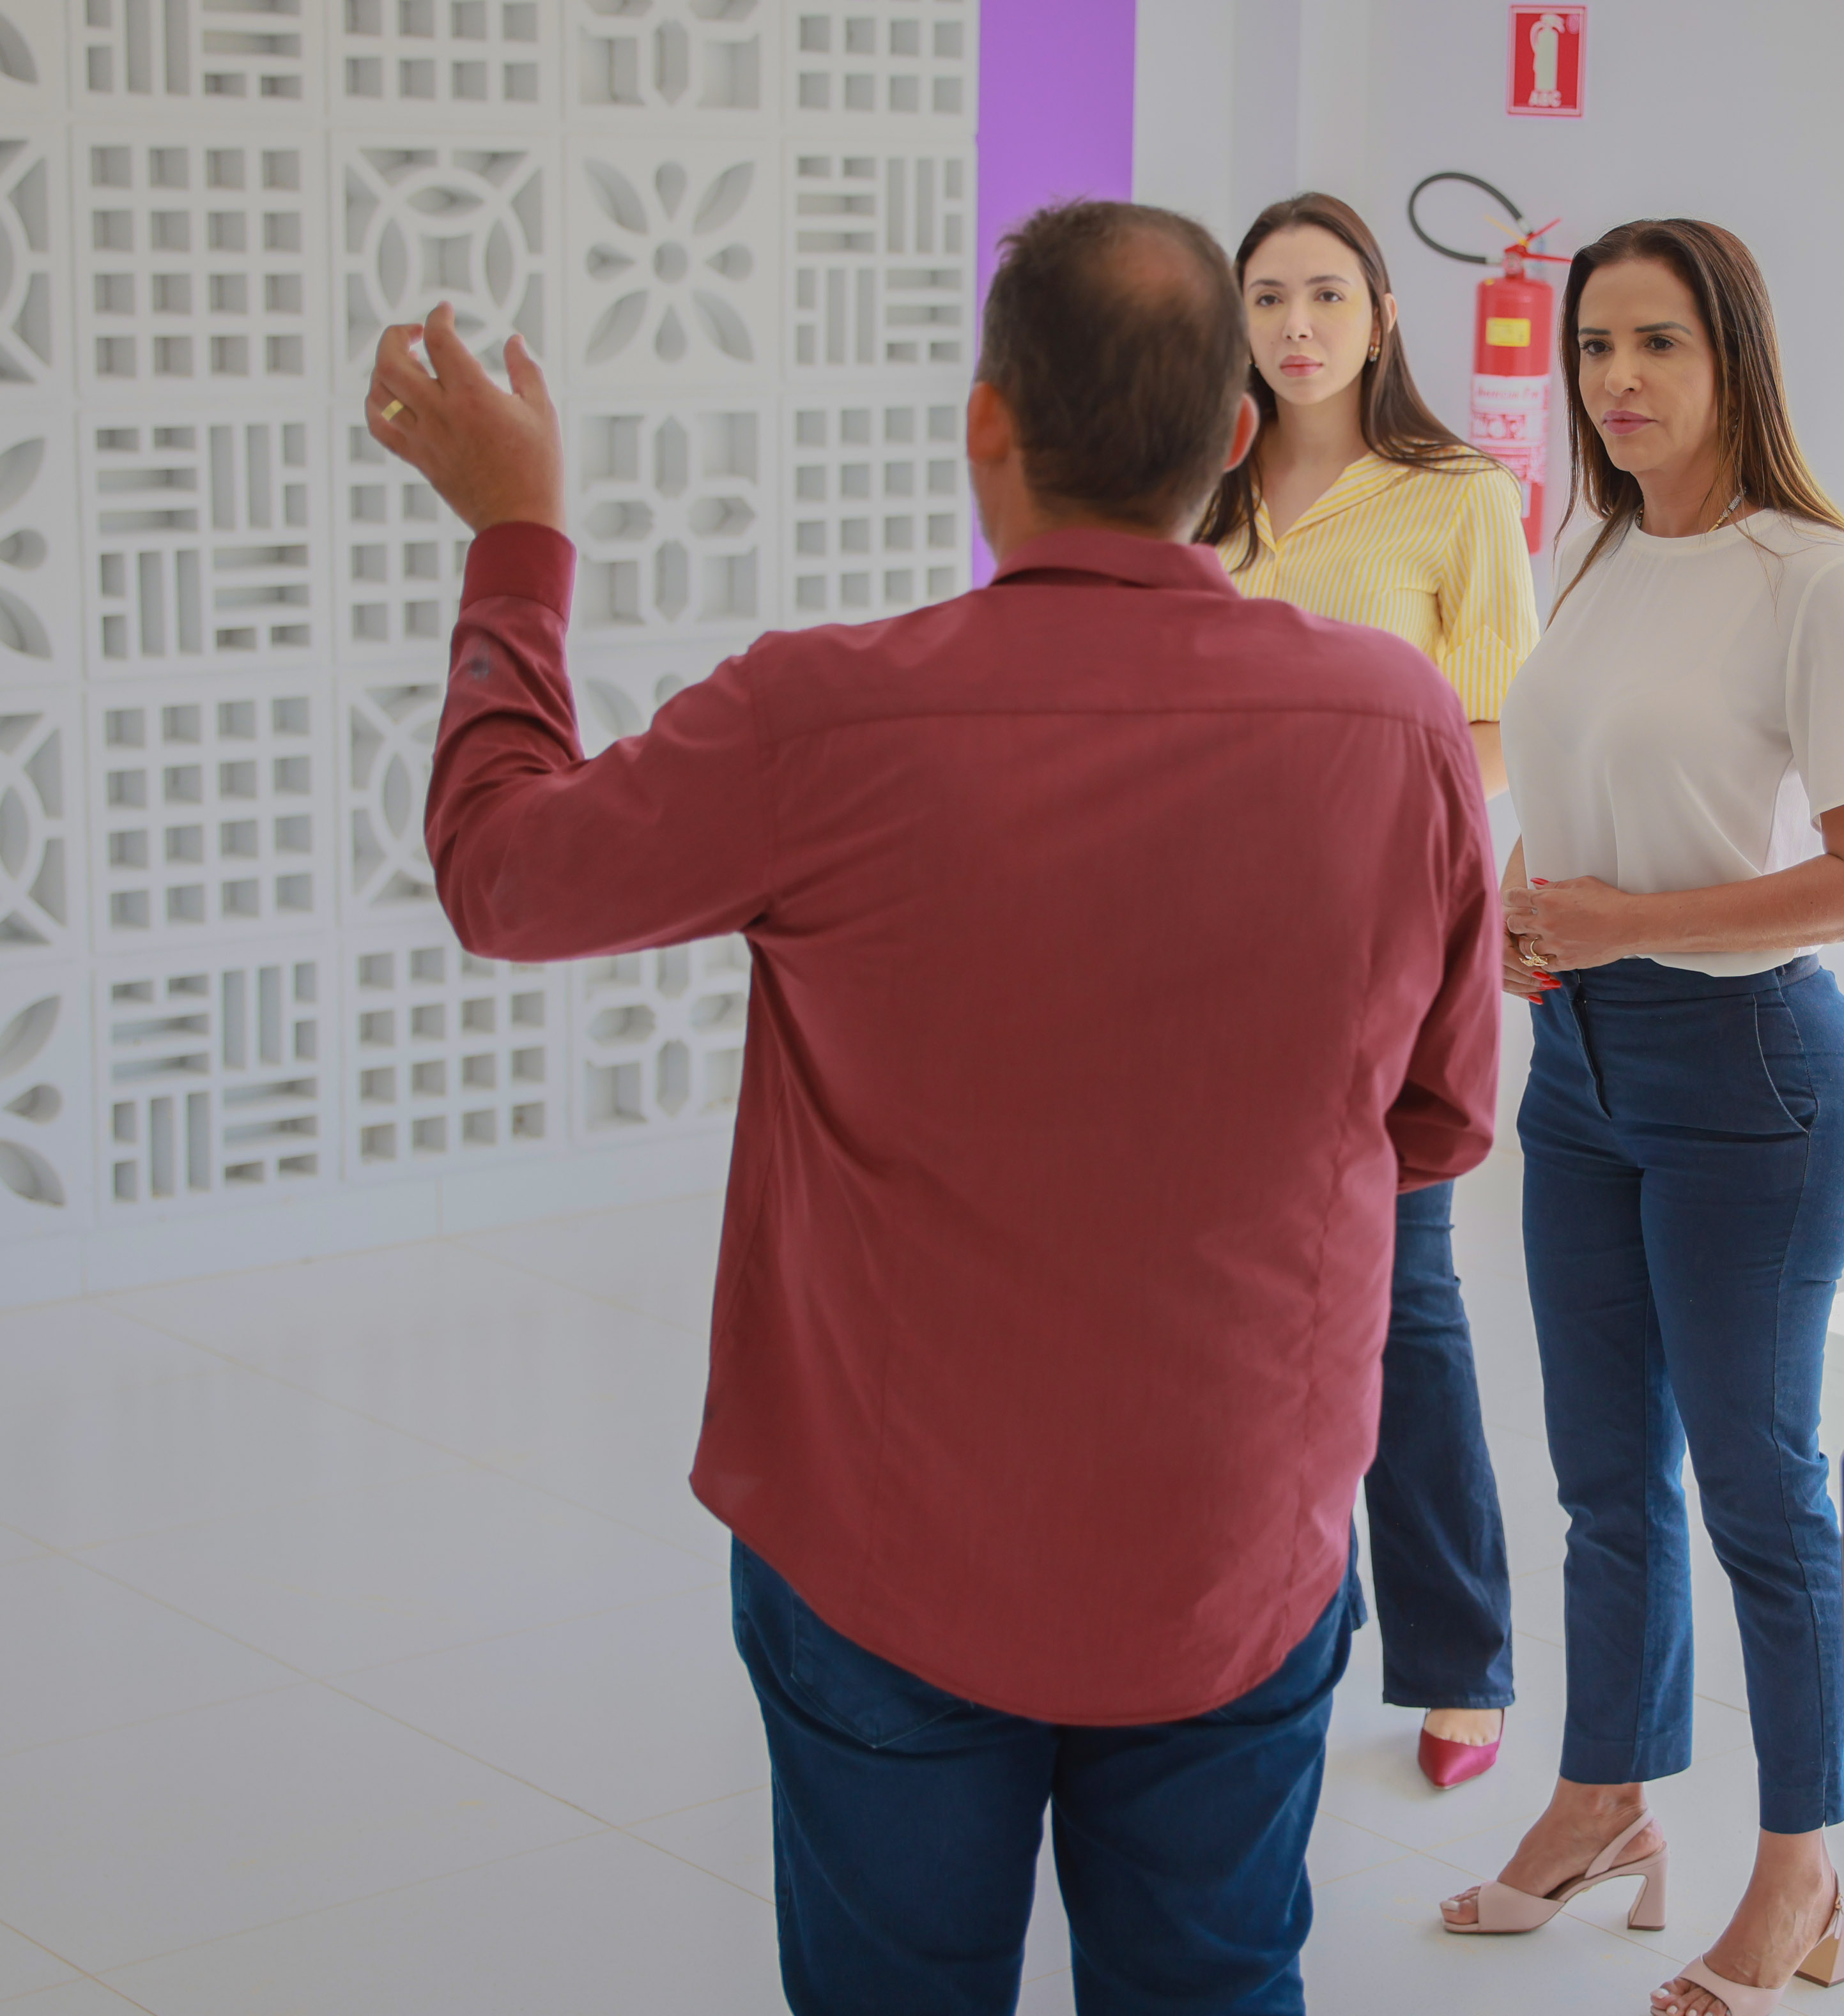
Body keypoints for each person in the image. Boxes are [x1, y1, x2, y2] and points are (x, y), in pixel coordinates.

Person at [367, 199, 1501, 2014]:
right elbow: (1439, 1121)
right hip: (1234, 1536)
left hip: (886, 1553)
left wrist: (518, 540)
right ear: (1229, 437)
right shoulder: (1393, 726)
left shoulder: (825, 718)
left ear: (987, 424)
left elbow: (505, 876)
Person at [1441, 218, 1844, 2016]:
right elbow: (1572, 778)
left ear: (1734, 359)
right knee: (1599, 1483)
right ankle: (1605, 1791)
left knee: (1756, 1491)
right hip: (1581, 1072)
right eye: (1591, 349)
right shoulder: (1582, 539)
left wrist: (1625, 918)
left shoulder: (1815, 575)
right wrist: (1519, 900)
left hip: (1755, 1085)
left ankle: (1800, 1863)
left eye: (1656, 344)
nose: (1617, 382)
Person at [1201, 191, 1539, 1788]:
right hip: (1189, 959)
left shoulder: (1454, 499)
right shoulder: (1194, 490)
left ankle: (1462, 1654)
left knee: (1406, 1301)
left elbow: (1492, 740)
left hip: (1377, 956)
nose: (1296, 326)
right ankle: (1252, 1622)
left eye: (1326, 293)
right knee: (1211, 1302)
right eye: (1267, 296)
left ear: (1383, 311)